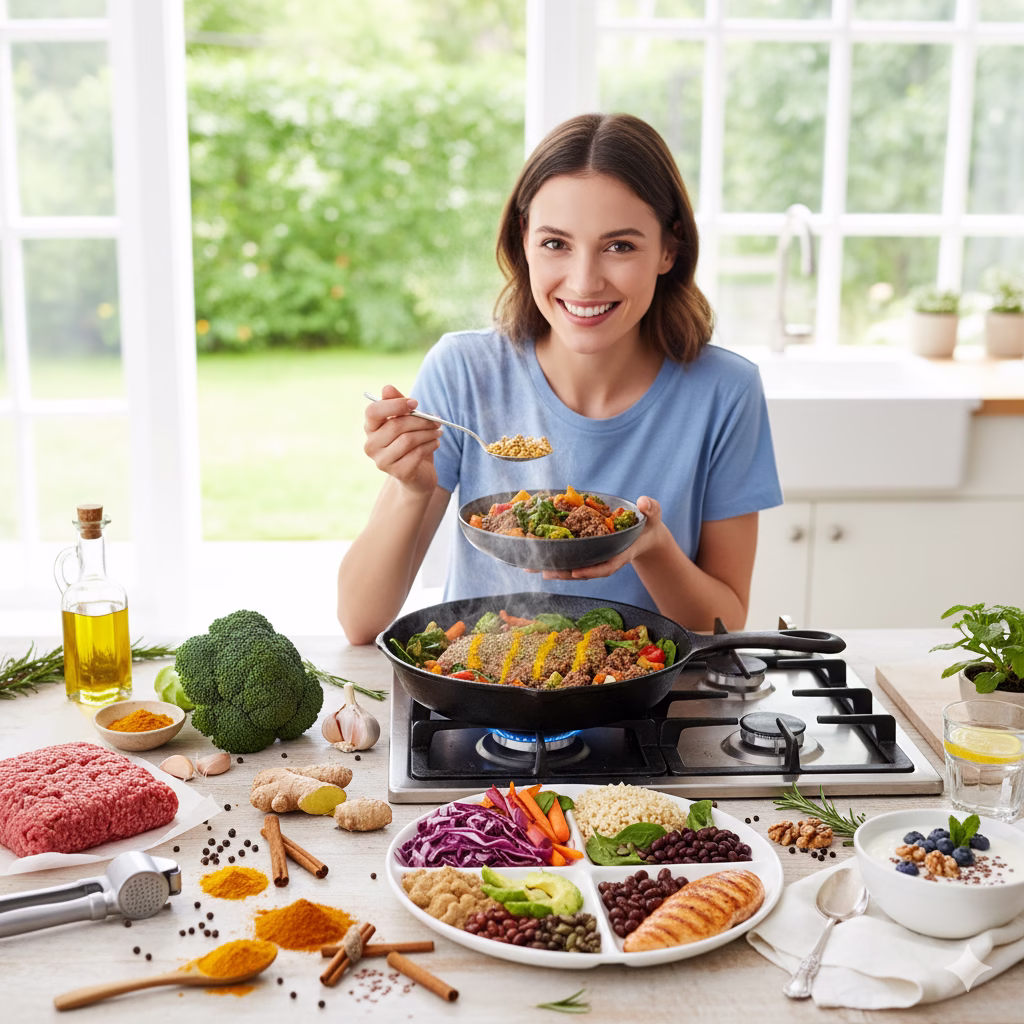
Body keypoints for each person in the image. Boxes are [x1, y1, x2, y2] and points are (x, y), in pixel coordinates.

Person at [337, 112, 782, 645]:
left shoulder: (725, 391)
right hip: (487, 686)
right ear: (523, 239)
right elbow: (360, 621)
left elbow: (725, 622)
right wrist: (412, 489)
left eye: (620, 246)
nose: (585, 281)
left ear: (669, 248)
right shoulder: (464, 372)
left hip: (648, 703)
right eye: (556, 243)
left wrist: (652, 545)